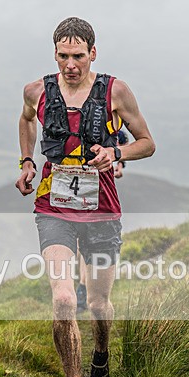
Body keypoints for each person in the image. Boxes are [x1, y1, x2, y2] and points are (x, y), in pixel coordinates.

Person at [15, 17, 156, 377]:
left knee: (97, 303)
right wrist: (27, 162)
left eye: (78, 56)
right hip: (53, 206)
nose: (70, 64)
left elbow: (147, 143)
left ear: (93, 53)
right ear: (54, 54)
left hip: (101, 209)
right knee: (63, 298)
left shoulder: (116, 92)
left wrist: (117, 154)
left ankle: (101, 358)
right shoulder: (36, 91)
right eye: (63, 56)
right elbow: (26, 119)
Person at [76, 129, 129, 313]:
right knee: (81, 239)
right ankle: (83, 285)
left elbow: (121, 142)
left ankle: (84, 287)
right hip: (77, 185)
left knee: (89, 239)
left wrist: (119, 165)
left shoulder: (112, 124)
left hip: (100, 188)